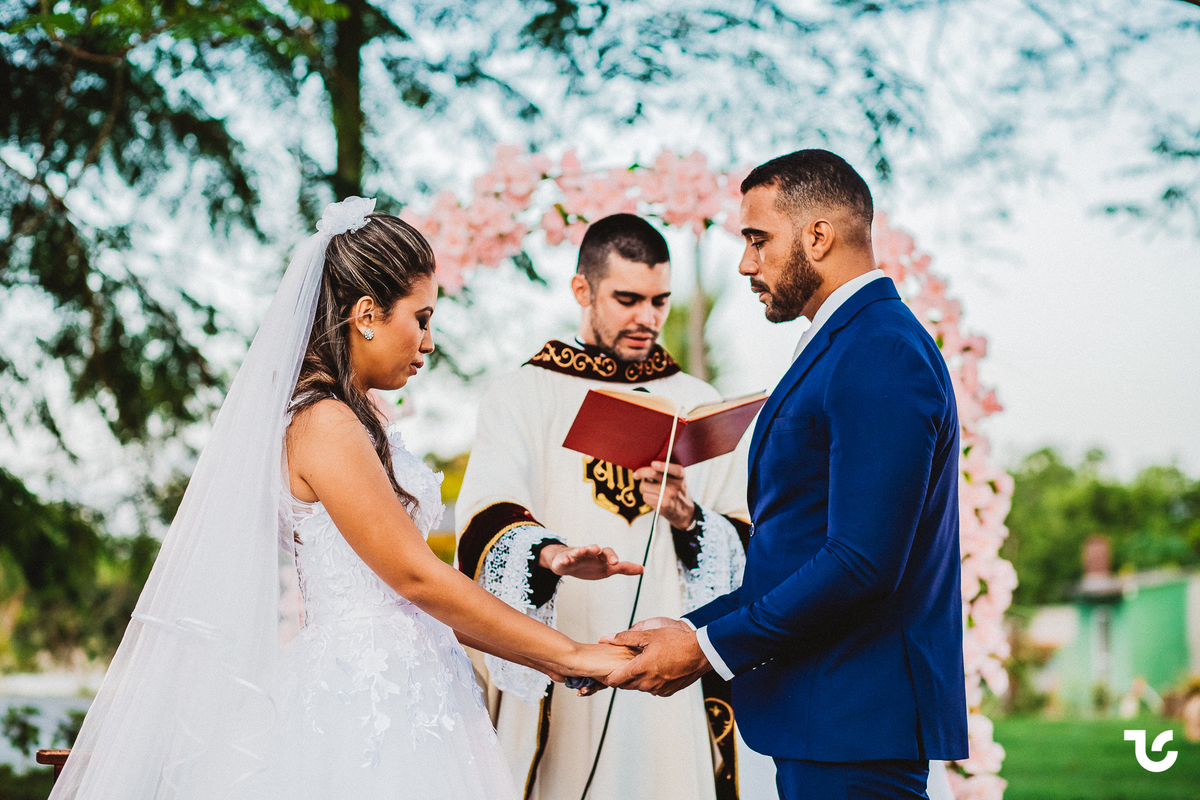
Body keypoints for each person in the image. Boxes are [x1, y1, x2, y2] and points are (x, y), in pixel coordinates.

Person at [49, 198, 631, 800]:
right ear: (367, 314)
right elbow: (415, 578)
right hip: (369, 705)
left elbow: (416, 597)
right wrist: (571, 654)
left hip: (408, 686)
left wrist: (552, 657)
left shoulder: (344, 419)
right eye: (422, 318)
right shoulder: (325, 423)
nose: (429, 342)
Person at [602, 150, 970, 799]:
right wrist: (691, 628)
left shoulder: (880, 349)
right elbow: (797, 550)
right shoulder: (848, 341)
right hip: (826, 723)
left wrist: (707, 649)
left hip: (855, 727)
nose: (746, 263)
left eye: (757, 239)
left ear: (818, 236)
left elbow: (861, 564)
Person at [455, 214, 752, 800]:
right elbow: (488, 513)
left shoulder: (698, 402)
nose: (648, 318)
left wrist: (689, 519)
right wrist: (549, 554)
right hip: (564, 646)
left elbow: (746, 545)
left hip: (670, 676)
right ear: (582, 290)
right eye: (627, 299)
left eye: (660, 301)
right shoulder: (523, 393)